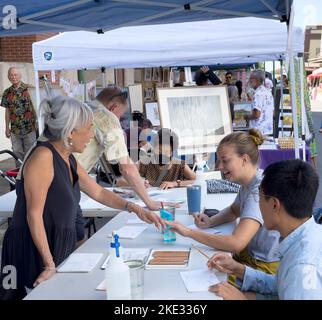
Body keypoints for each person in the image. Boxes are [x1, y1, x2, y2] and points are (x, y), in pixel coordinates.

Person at [0, 96, 164, 300]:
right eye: (88, 128)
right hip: (34, 252)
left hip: (55, 246)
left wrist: (135, 208)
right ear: (70, 132)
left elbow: (98, 192)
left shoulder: (67, 157)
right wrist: (49, 264)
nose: (91, 135)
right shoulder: (43, 157)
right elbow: (34, 215)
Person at [165, 129, 280, 280]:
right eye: (219, 160)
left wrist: (189, 233)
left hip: (263, 266)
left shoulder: (257, 191)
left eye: (225, 160)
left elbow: (236, 243)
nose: (219, 166)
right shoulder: (250, 182)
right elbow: (233, 210)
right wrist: (210, 221)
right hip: (251, 256)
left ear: (244, 159)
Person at [208, 159, 322, 300]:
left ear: (274, 205)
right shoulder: (305, 235)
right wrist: (238, 269)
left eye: (259, 198)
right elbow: (281, 286)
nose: (258, 206)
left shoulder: (303, 265)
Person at [75, 85, 164, 211]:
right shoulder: (107, 117)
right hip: (62, 182)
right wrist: (149, 202)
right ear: (113, 107)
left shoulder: (81, 109)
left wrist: (135, 182)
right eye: (120, 115)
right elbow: (126, 168)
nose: (119, 119)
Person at [1, 67, 38, 164]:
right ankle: (19, 175)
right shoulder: (7, 92)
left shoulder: (29, 89)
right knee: (16, 152)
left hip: (30, 127)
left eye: (15, 75)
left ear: (20, 76)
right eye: (11, 75)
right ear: (8, 77)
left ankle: (30, 175)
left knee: (30, 153)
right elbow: (7, 111)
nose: (14, 77)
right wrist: (7, 128)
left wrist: (38, 123)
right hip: (15, 129)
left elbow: (36, 107)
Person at [244, 70, 274, 136]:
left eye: (250, 79)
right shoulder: (267, 92)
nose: (249, 81)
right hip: (267, 129)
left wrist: (246, 116)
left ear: (256, 80)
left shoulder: (258, 94)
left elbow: (256, 114)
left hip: (258, 131)